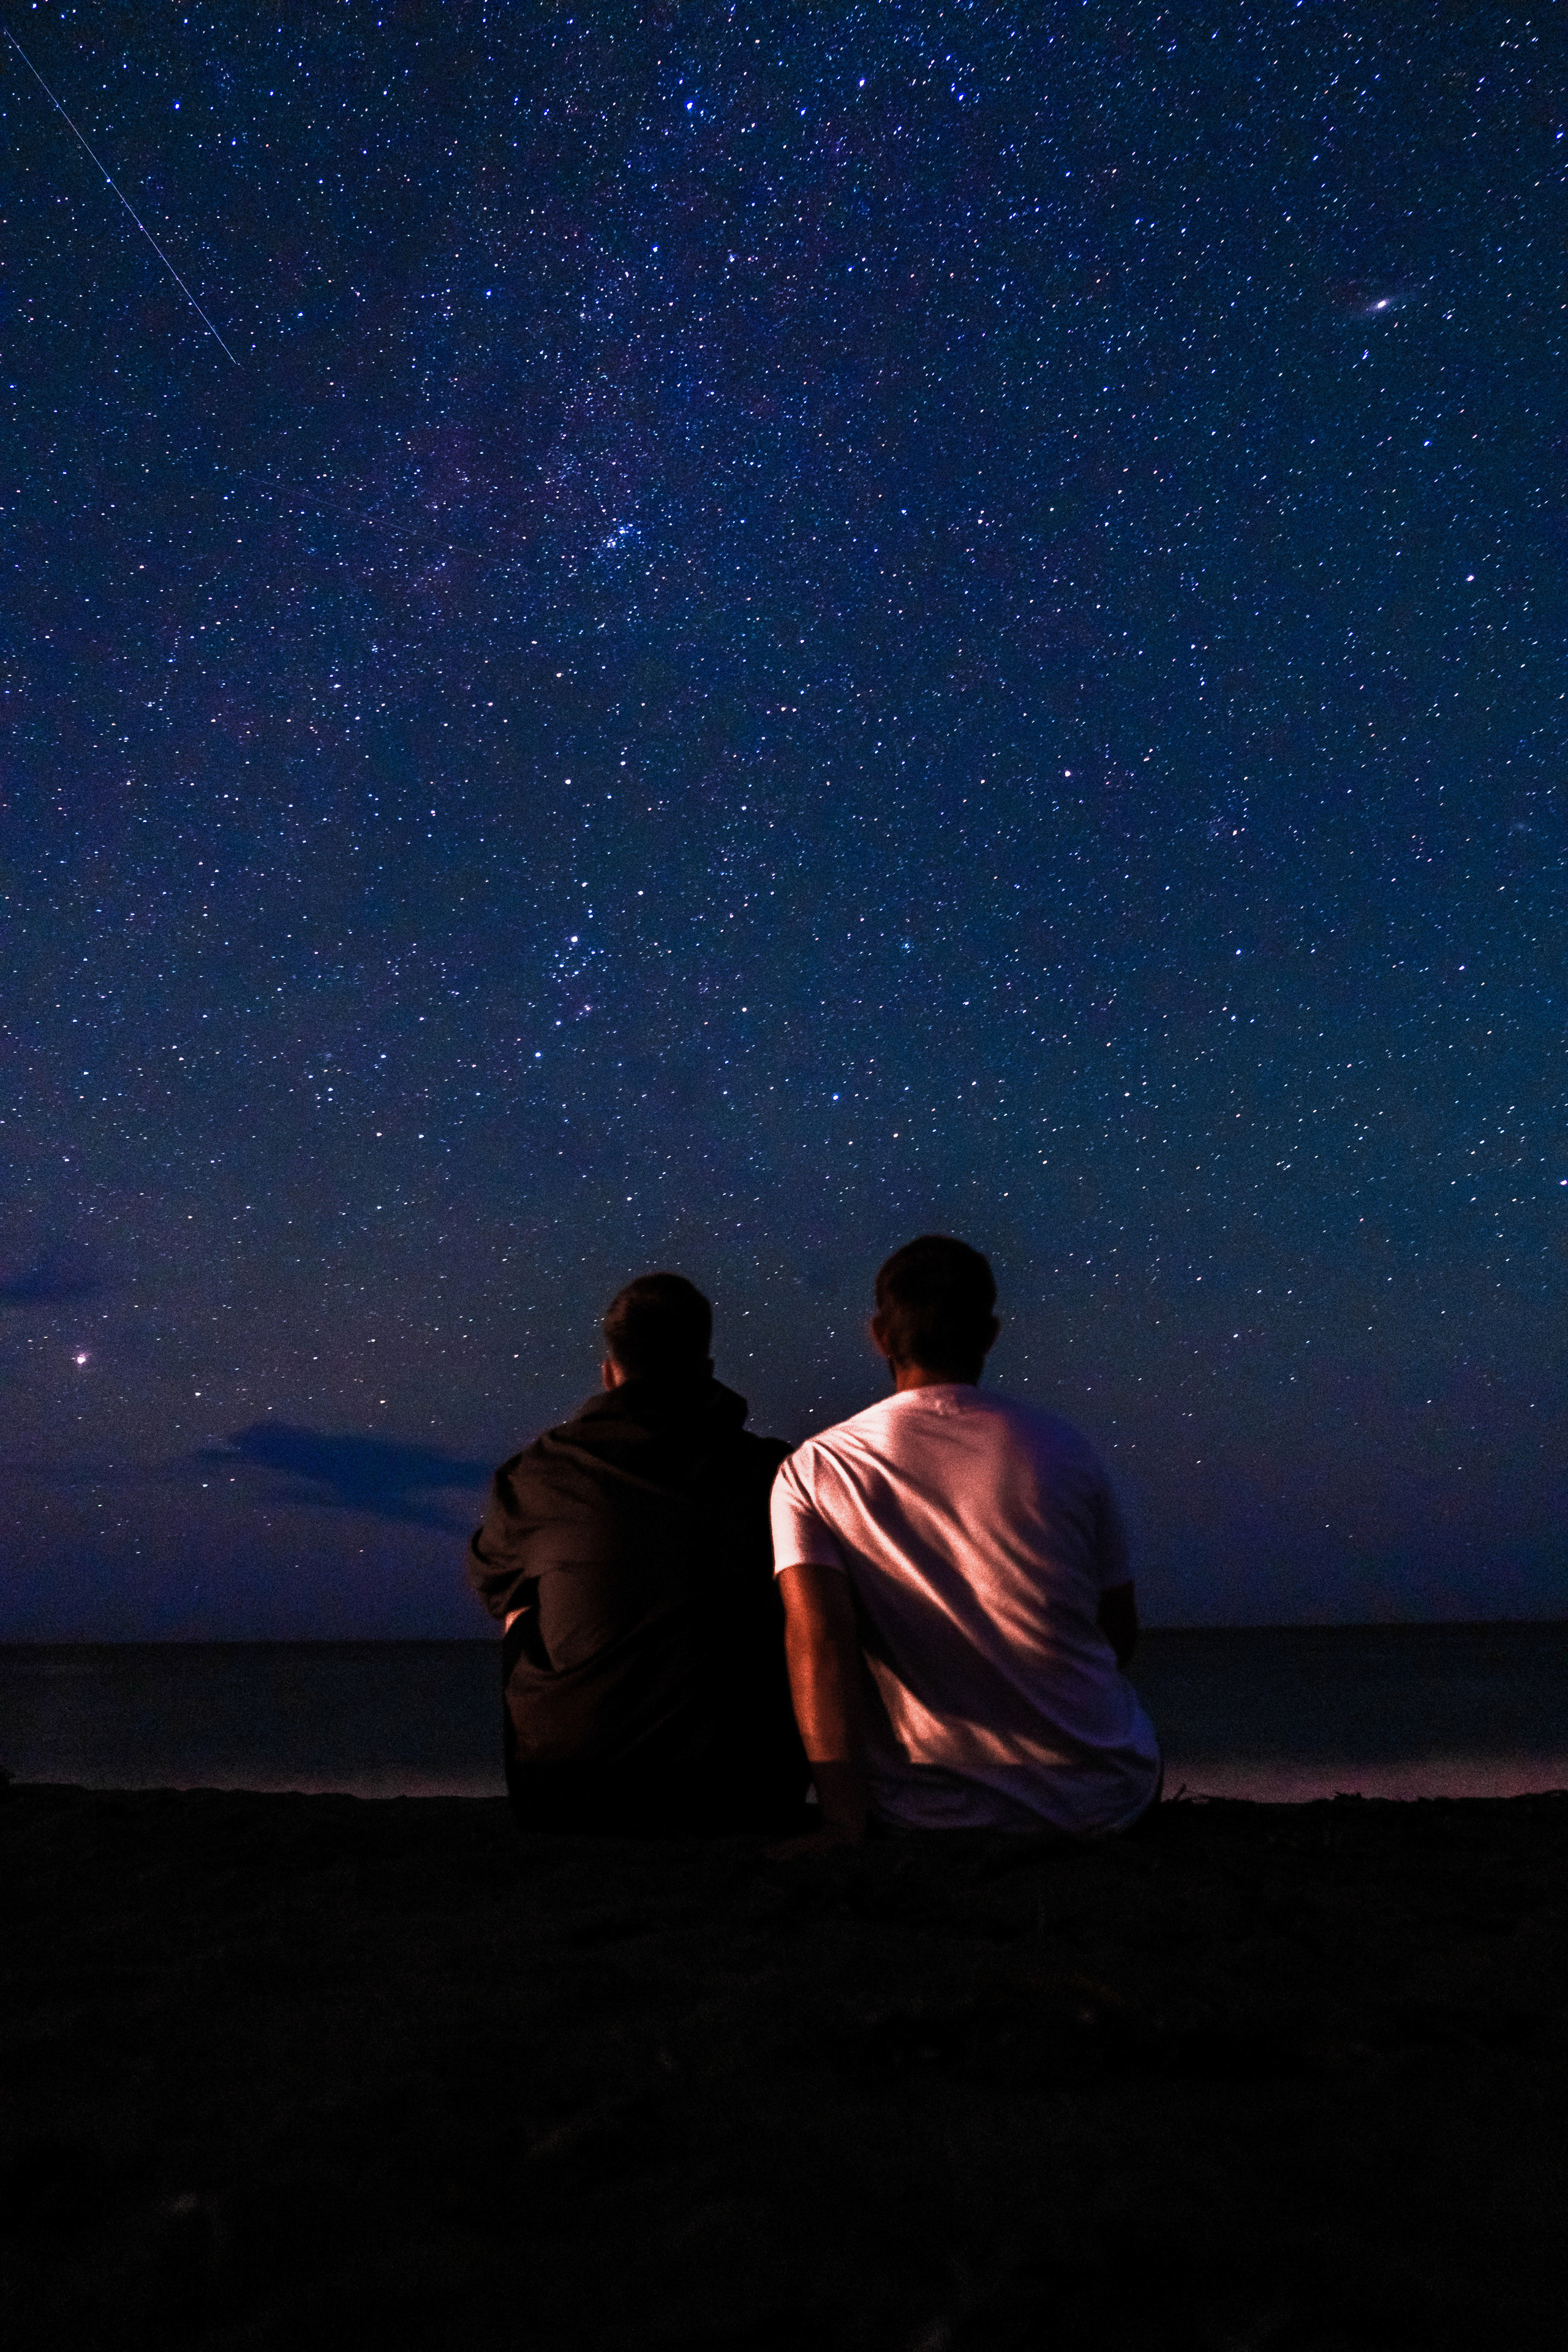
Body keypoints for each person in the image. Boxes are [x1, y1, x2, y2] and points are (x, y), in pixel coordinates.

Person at [771, 1235, 1161, 1845]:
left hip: (924, 1805)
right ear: (988, 1335)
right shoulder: (1066, 1451)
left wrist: (842, 1816)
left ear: (880, 1335)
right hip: (1101, 1794)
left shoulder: (817, 1469)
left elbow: (818, 1645)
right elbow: (1117, 1634)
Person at [468, 1272, 809, 1835]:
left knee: (523, 1606)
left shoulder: (537, 1474)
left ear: (610, 1372)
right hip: (746, 1787)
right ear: (706, 1369)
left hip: (569, 1794)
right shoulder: (774, 1472)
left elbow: (491, 1582)